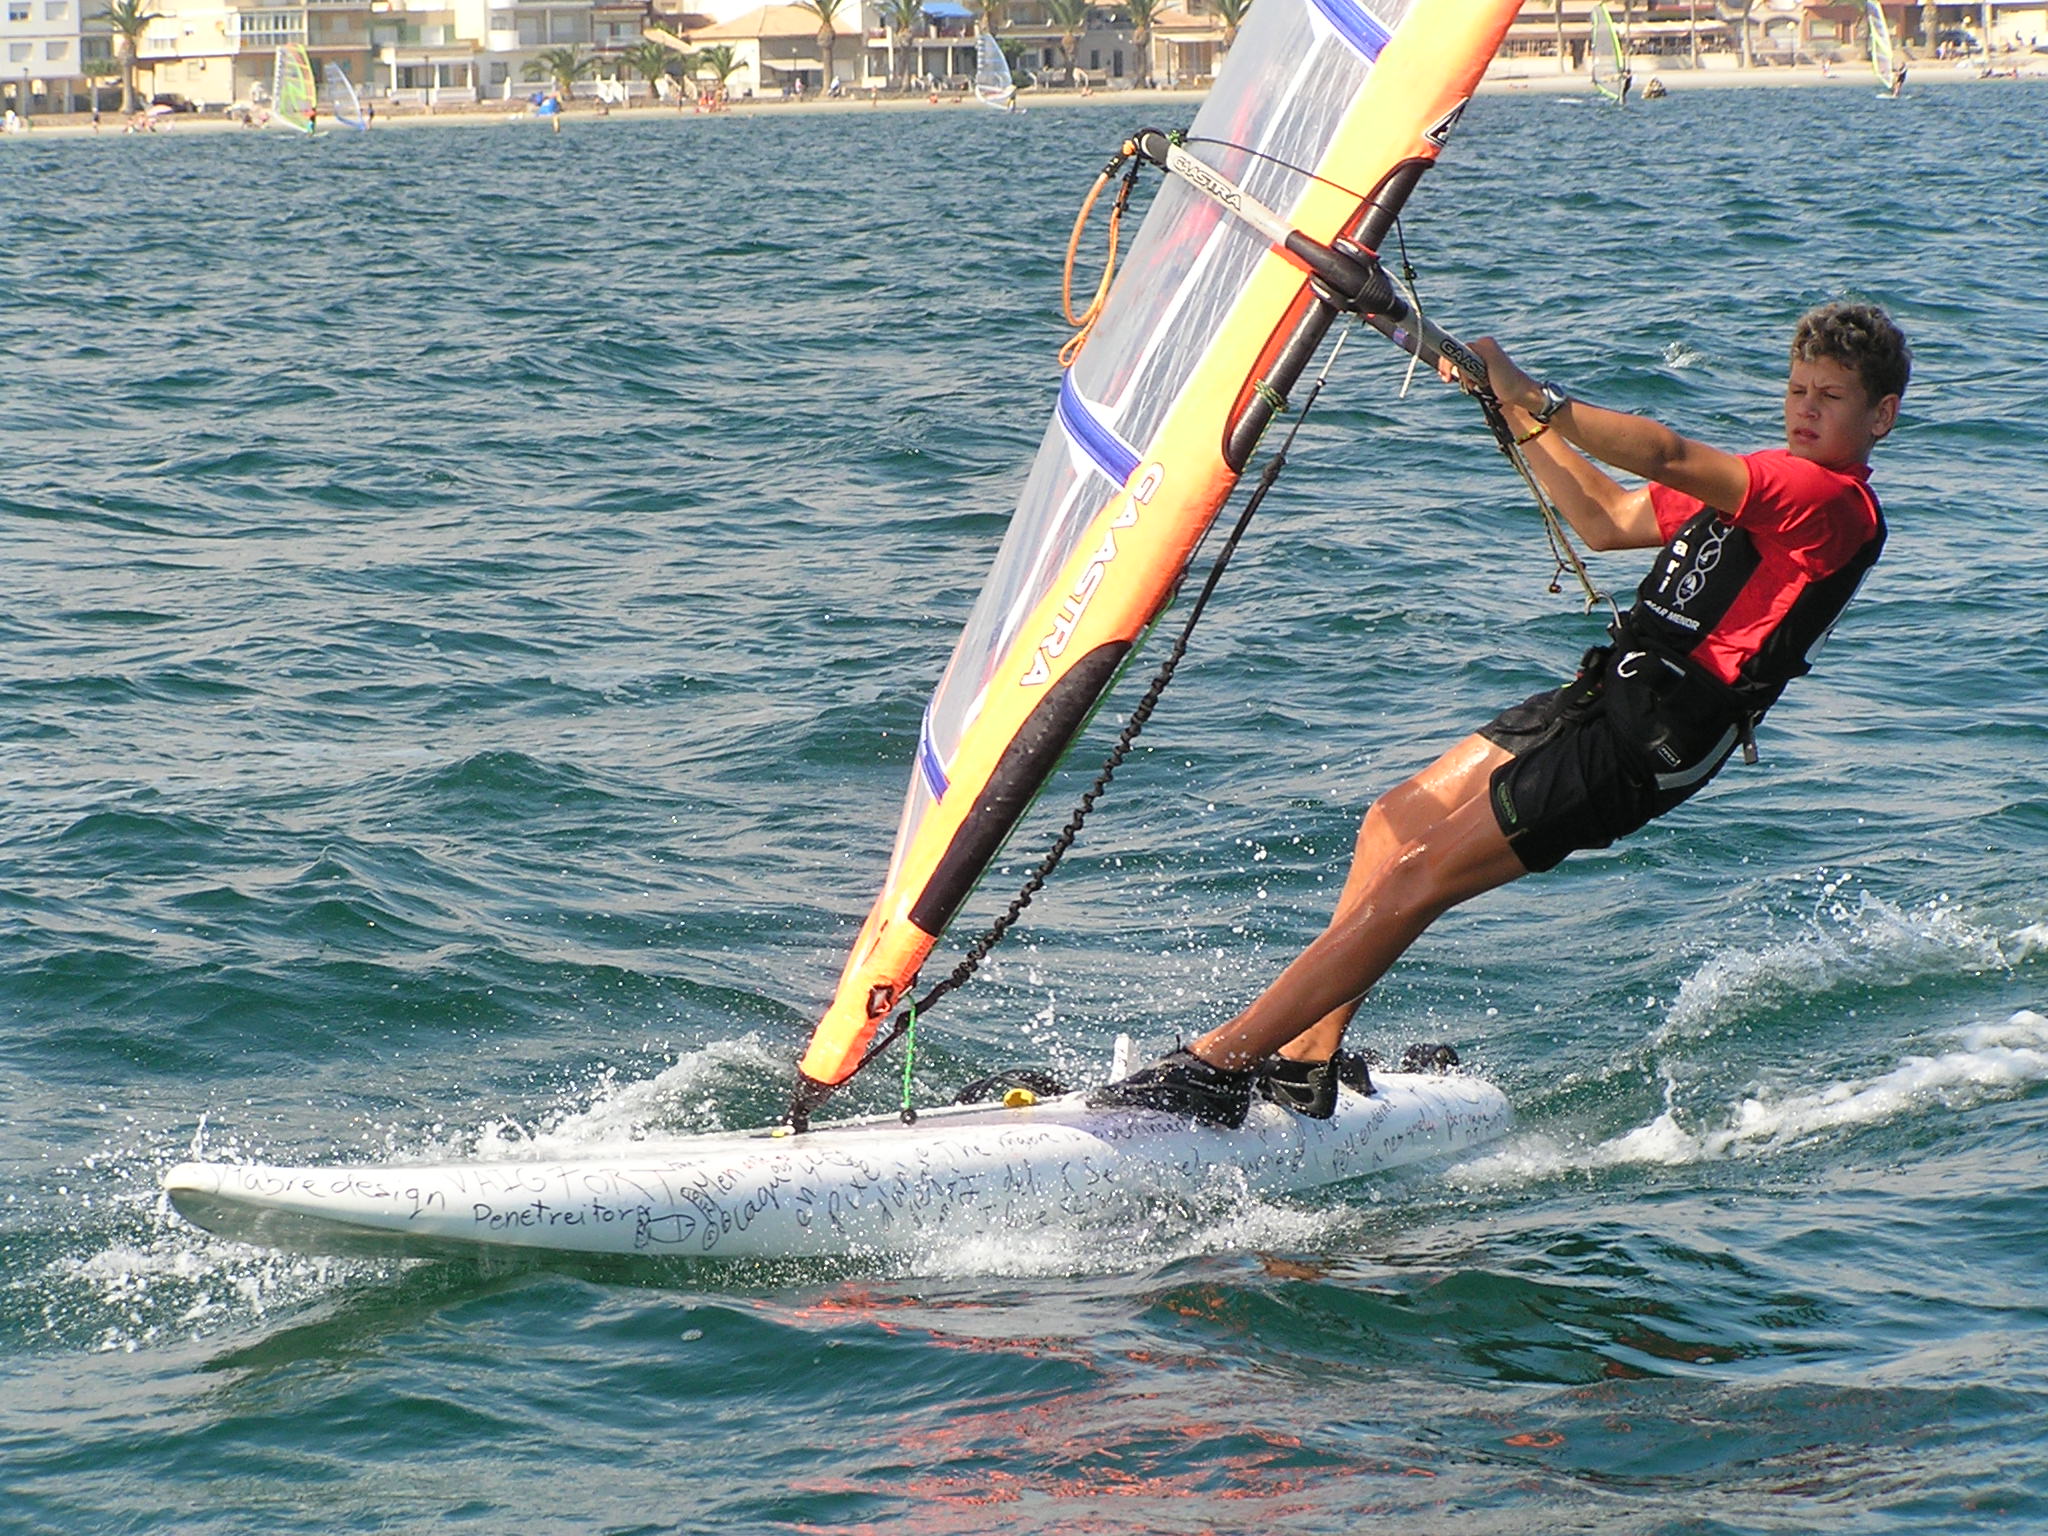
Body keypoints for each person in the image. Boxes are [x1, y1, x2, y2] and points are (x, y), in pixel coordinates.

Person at [1091, 302, 1910, 1127]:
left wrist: (1535, 393)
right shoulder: (1765, 482)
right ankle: (1306, 1058)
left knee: (1418, 877)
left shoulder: (1830, 504)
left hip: (1642, 746)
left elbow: (1663, 451)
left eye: (1831, 397)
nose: (1806, 408)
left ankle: (1218, 1065)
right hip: (1601, 696)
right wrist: (1506, 405)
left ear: (1881, 415)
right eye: (1798, 388)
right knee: (1392, 823)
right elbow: (1603, 517)